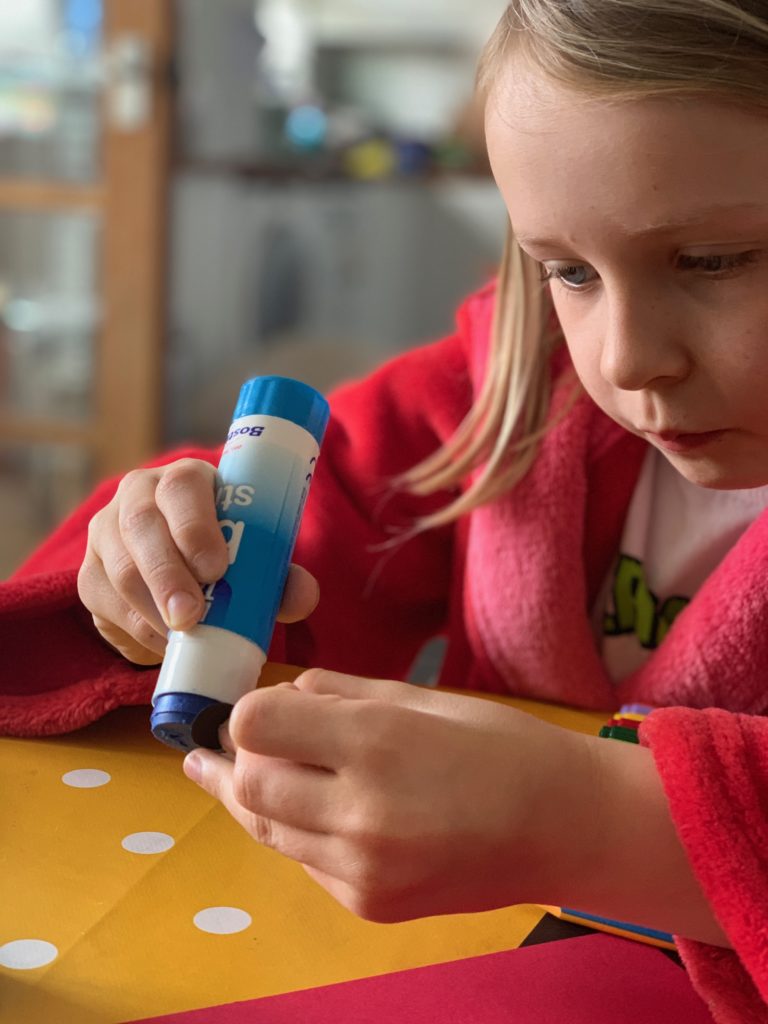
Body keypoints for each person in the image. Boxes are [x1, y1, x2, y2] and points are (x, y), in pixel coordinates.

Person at [4, 1, 768, 1019]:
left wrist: (603, 824)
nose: (626, 358)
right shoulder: (517, 390)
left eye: (714, 261)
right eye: (569, 271)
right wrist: (157, 563)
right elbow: (309, 522)